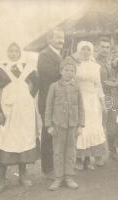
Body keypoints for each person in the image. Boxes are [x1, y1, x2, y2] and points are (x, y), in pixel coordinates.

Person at [0, 43, 40, 192]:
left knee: (22, 141)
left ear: (20, 53)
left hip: (24, 113)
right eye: (10, 51)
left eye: (16, 51)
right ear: (7, 53)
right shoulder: (0, 69)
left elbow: (36, 85)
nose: (13, 54)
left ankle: (23, 175)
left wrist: (27, 99)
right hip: (7, 112)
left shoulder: (27, 68)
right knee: (5, 141)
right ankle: (1, 179)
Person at [45, 58, 85, 191]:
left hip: (72, 125)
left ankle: (69, 176)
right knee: (58, 151)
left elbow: (81, 107)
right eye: (66, 70)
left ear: (75, 73)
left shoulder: (77, 87)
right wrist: (49, 125)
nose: (69, 72)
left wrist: (80, 125)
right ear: (61, 71)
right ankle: (58, 177)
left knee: (71, 151)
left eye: (72, 70)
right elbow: (49, 107)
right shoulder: (54, 86)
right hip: (58, 125)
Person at [71, 41, 107, 170]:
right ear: (79, 50)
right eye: (83, 49)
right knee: (81, 129)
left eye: (88, 49)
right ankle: (79, 160)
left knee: (93, 128)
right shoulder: (74, 65)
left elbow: (98, 85)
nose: (85, 52)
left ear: (91, 51)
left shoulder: (96, 66)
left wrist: (102, 102)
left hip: (93, 101)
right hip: (79, 100)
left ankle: (89, 158)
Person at [37, 28, 65, 179]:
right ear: (49, 39)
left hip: (58, 99)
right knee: (49, 132)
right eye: (58, 38)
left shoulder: (59, 54)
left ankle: (56, 166)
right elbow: (50, 74)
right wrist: (67, 71)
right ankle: (48, 169)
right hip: (48, 100)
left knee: (58, 133)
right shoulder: (44, 55)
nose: (61, 40)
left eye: (62, 38)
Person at [96, 37, 118, 157]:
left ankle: (112, 151)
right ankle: (97, 154)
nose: (105, 49)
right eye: (102, 47)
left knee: (112, 124)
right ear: (98, 47)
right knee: (99, 125)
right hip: (99, 97)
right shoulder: (94, 62)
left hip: (110, 96)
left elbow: (112, 77)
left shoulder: (110, 62)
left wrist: (116, 81)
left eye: (107, 47)